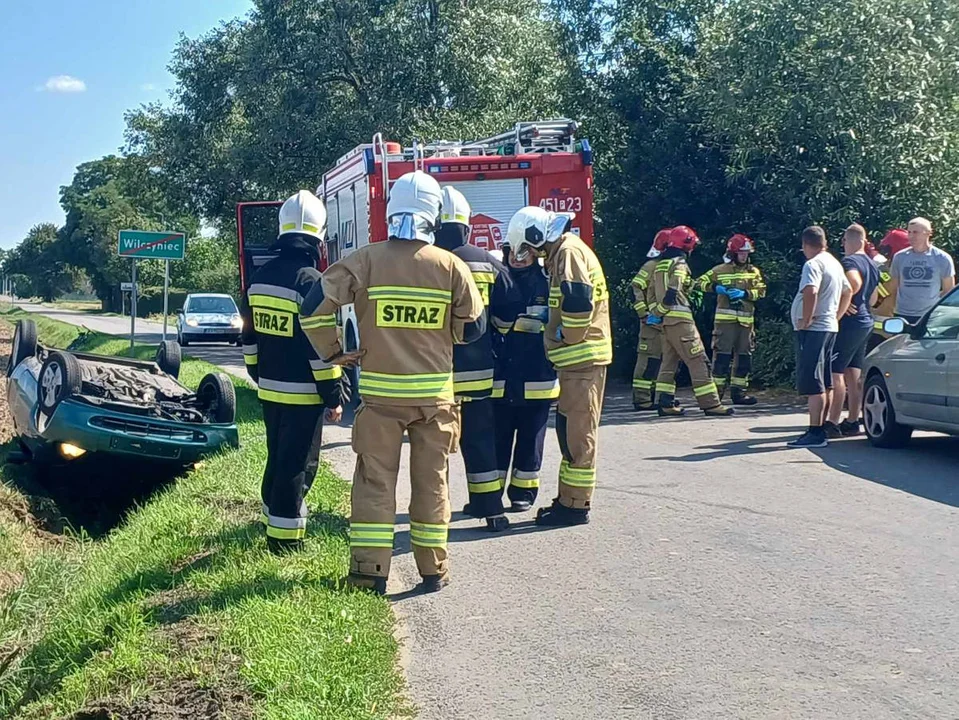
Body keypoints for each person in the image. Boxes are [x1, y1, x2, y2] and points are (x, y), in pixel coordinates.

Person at [301, 171, 485, 595]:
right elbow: (473, 329)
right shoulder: (451, 266)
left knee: (374, 483)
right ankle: (433, 569)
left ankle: (369, 571)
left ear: (391, 212)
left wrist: (334, 352)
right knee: (432, 482)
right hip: (434, 400)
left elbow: (312, 308)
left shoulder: (365, 260)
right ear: (434, 216)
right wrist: (445, 334)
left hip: (381, 399)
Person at [240, 190, 343, 554]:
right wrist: (334, 396)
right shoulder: (311, 282)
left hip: (269, 389)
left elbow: (248, 338)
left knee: (278, 456)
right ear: (318, 235)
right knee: (299, 463)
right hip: (304, 394)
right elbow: (321, 350)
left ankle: (271, 514)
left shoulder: (258, 278)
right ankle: (284, 542)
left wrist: (257, 373)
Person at [506, 206, 611, 527]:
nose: (531, 254)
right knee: (570, 432)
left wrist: (563, 334)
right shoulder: (563, 253)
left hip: (582, 358)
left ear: (538, 236)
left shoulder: (568, 253)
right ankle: (568, 500)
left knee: (578, 436)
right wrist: (549, 322)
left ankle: (575, 506)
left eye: (530, 247)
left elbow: (578, 302)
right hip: (576, 363)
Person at [434, 186, 515, 531]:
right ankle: (490, 507)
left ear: (434, 225)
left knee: (434, 445)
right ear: (467, 227)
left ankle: (437, 510)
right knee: (480, 438)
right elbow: (508, 310)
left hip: (435, 371)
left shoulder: (425, 261)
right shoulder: (487, 261)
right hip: (478, 369)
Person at [491, 239, 557, 512]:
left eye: (524, 252)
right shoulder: (496, 281)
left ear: (535, 254)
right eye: (513, 253)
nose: (518, 258)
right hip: (501, 377)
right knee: (497, 438)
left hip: (537, 375)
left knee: (531, 439)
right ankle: (490, 495)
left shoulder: (546, 282)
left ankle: (523, 493)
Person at [648, 225, 735, 418]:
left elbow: (653, 292)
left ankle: (665, 403)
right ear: (685, 245)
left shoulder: (660, 265)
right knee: (698, 360)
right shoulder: (679, 263)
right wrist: (664, 309)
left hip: (666, 323)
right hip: (680, 321)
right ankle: (711, 404)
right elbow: (673, 290)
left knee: (669, 362)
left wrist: (658, 313)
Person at [787, 226, 852, 449]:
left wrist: (806, 319)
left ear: (806, 244)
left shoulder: (812, 264)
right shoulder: (834, 262)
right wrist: (837, 316)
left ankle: (815, 431)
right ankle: (821, 427)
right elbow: (848, 291)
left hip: (814, 329)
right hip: (829, 326)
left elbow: (810, 291)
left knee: (813, 381)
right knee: (824, 380)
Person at [695, 233, 767, 405]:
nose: (745, 256)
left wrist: (746, 294)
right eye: (741, 253)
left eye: (746, 253)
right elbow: (697, 283)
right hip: (725, 324)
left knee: (744, 359)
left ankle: (739, 394)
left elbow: (762, 292)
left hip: (746, 323)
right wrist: (716, 287)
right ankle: (716, 396)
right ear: (733, 253)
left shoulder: (753, 272)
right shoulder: (719, 270)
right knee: (721, 359)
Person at [823, 224, 880, 438]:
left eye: (844, 241)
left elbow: (853, 283)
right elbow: (873, 297)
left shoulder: (850, 261)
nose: (843, 245)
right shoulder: (872, 264)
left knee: (835, 371)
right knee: (853, 372)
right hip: (866, 320)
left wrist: (843, 303)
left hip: (850, 323)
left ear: (849, 241)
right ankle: (853, 420)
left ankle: (832, 422)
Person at [630, 228, 671, 411]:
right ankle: (642, 400)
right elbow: (635, 287)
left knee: (665, 362)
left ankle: (661, 399)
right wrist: (644, 314)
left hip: (668, 323)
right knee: (648, 361)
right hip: (651, 325)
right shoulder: (651, 266)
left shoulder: (672, 266)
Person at [886, 217, 956, 324]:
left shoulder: (942, 258)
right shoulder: (899, 257)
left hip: (929, 315)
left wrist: (933, 303)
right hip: (902, 314)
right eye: (909, 232)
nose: (911, 236)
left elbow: (948, 290)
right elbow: (893, 288)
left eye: (915, 232)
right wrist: (890, 310)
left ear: (928, 233)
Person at [867, 229, 910, 352]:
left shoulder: (892, 273)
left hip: (882, 332)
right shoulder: (906, 271)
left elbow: (877, 299)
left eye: (887, 248)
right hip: (891, 329)